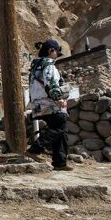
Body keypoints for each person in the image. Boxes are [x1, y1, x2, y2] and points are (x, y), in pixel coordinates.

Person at [26, 39, 72, 170]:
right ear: (51, 51)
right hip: (49, 102)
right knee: (60, 125)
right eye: (56, 52)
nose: (57, 54)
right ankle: (35, 149)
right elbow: (51, 83)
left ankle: (60, 162)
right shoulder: (49, 66)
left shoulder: (35, 67)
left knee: (61, 131)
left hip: (38, 103)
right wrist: (58, 98)